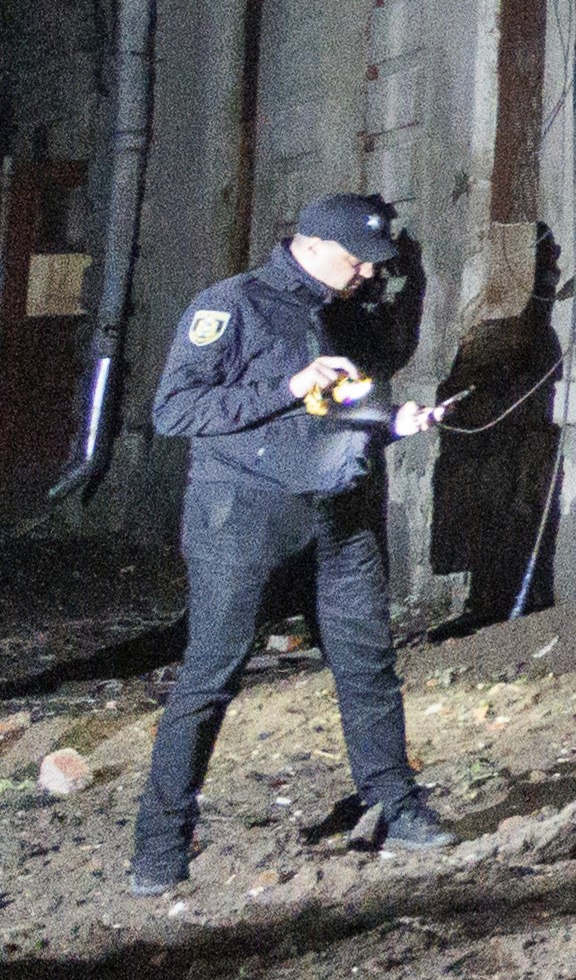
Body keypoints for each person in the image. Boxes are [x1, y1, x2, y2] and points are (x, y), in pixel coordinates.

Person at [135, 192, 458, 896]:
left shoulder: (349, 311)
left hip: (339, 516)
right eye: (356, 261)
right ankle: (158, 850)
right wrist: (286, 384)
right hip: (243, 518)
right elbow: (175, 408)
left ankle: (396, 806)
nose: (369, 276)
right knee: (211, 677)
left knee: (368, 666)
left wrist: (393, 419)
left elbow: (344, 401)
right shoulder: (232, 304)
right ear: (309, 244)